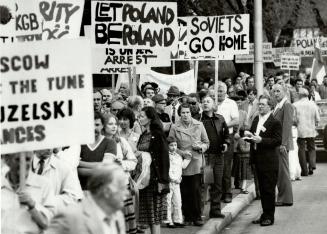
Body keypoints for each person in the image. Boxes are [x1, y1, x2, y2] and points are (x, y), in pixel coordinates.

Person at [45, 164, 128, 234]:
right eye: (123, 188)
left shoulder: (117, 216)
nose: (127, 193)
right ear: (106, 191)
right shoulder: (70, 217)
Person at [169, 103, 209, 226]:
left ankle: (197, 216)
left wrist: (201, 147)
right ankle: (187, 216)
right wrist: (181, 152)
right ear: (179, 114)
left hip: (196, 160)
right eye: (183, 113)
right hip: (181, 162)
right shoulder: (175, 127)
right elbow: (170, 144)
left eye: (187, 112)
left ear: (191, 113)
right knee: (184, 190)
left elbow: (206, 142)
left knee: (196, 189)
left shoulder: (199, 124)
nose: (185, 115)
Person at [248, 95, 282, 227]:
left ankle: (269, 216)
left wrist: (261, 140)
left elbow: (277, 140)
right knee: (262, 189)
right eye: (259, 104)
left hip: (269, 160)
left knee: (268, 189)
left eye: (262, 104)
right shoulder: (257, 119)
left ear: (270, 106)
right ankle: (264, 214)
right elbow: (253, 133)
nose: (260, 106)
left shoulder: (275, 122)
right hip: (257, 159)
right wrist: (249, 136)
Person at [2, 153, 56, 234]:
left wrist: (32, 206)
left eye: (27, 159)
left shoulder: (44, 185)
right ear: (7, 160)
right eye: (18, 160)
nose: (23, 164)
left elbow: (49, 225)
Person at [137, 107, 170, 234]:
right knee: (146, 217)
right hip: (143, 179)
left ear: (150, 118)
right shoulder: (143, 134)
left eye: (142, 116)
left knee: (154, 217)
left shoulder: (157, 134)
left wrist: (163, 181)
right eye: (139, 116)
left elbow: (164, 159)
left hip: (155, 180)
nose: (139, 118)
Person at [104, 114, 138, 234]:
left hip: (121, 185)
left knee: (123, 222)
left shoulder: (121, 141)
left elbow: (133, 161)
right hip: (104, 187)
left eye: (115, 124)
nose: (114, 127)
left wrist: (121, 164)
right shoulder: (98, 142)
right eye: (110, 124)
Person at [200, 96, 229, 218]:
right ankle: (198, 213)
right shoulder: (199, 119)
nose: (205, 103)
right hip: (205, 156)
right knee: (204, 185)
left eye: (208, 101)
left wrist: (226, 143)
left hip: (218, 155)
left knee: (217, 184)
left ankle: (215, 210)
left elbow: (226, 134)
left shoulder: (220, 118)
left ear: (213, 105)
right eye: (204, 101)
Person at [78, 112, 117, 190]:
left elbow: (105, 167)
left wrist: (78, 163)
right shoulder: (79, 143)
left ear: (102, 125)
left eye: (97, 125)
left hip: (102, 192)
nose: (93, 128)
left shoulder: (110, 143)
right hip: (82, 191)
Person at [216, 81, 239, 203]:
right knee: (215, 165)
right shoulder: (212, 102)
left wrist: (223, 126)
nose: (218, 93)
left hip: (226, 135)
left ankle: (227, 192)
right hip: (213, 137)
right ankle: (217, 193)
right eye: (217, 91)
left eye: (220, 91)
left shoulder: (231, 103)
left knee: (226, 165)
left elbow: (236, 120)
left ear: (225, 92)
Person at [272, 84, 294, 206]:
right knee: (281, 172)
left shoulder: (286, 105)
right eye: (274, 91)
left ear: (285, 92)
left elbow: (287, 126)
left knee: (283, 172)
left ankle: (285, 198)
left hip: (282, 144)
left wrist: (283, 144)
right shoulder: (278, 105)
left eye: (278, 91)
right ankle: (284, 197)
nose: (276, 94)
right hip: (279, 143)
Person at [293, 88, 320, 176]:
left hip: (300, 130)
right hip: (311, 129)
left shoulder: (295, 105)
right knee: (311, 148)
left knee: (301, 149)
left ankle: (304, 170)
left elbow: (293, 119)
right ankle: (311, 165)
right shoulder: (313, 104)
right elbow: (318, 118)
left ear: (300, 95)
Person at [165, 136, 191, 228]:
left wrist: (188, 159)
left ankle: (178, 220)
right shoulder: (166, 156)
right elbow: (166, 169)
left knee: (178, 201)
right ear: (167, 146)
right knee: (168, 202)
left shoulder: (178, 156)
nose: (174, 147)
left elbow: (182, 167)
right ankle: (168, 220)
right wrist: (171, 178)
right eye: (171, 145)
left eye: (175, 145)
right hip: (169, 182)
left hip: (177, 182)